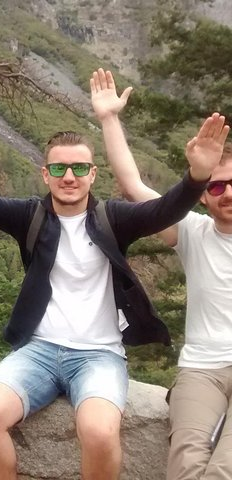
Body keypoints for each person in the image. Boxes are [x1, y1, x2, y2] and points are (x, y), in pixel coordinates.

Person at [0, 105, 225, 479]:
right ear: (45, 174)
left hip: (99, 354)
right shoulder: (30, 217)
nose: (69, 176)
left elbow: (164, 210)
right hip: (39, 350)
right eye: (59, 168)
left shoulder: (114, 219)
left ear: (92, 174)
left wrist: (198, 177)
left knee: (98, 431)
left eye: (79, 168)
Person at [90, 67, 232, 480]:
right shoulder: (192, 232)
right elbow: (132, 184)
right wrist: (109, 118)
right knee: (186, 460)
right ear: (203, 197)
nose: (227, 194)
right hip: (201, 369)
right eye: (217, 187)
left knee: (224, 467)